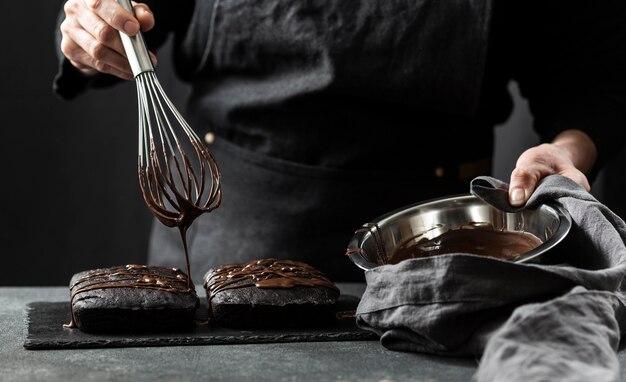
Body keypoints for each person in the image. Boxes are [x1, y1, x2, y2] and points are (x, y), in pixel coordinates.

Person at [55, 0, 626, 282]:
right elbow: (121, 14)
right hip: (229, 240)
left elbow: (590, 75)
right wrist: (95, 30)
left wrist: (569, 152)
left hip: (436, 257)